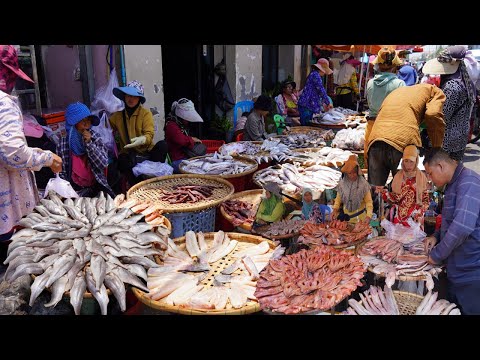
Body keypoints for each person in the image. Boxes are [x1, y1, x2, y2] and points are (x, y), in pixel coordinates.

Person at [0, 44, 63, 240]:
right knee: (14, 260)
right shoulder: (3, 102)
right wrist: (47, 158)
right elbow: (12, 154)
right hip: (7, 209)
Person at [424, 148, 480, 315]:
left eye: (430, 173)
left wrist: (436, 255)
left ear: (440, 166)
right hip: (456, 270)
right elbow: (451, 220)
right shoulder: (453, 184)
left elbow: (462, 227)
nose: (429, 179)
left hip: (470, 273)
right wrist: (436, 236)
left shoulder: (469, 182)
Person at [366, 83, 446, 186]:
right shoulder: (435, 92)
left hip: (376, 138)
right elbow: (432, 114)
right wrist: (437, 147)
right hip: (403, 141)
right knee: (405, 193)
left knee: (374, 191)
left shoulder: (400, 91)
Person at [109, 80, 168, 188]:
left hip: (147, 153)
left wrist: (143, 139)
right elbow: (105, 128)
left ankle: (152, 179)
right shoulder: (117, 116)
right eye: (128, 95)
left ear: (139, 99)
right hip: (129, 154)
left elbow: (149, 134)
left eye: (134, 96)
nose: (130, 99)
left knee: (163, 145)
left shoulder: (145, 114)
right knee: (121, 160)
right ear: (124, 97)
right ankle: (136, 186)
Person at [423, 46, 476, 162]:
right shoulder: (465, 81)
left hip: (447, 141)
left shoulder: (451, 86)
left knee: (441, 174)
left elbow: (443, 116)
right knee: (452, 173)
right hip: (460, 138)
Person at [57, 102, 114, 197]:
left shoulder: (95, 137)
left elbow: (103, 163)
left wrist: (89, 143)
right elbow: (61, 171)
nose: (86, 123)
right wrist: (67, 192)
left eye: (88, 120)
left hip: (96, 185)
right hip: (73, 189)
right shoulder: (63, 143)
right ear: (74, 123)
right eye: (82, 120)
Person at [365, 47, 405, 163]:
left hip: (372, 128)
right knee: (394, 174)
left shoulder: (370, 83)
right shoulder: (400, 84)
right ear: (394, 66)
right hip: (392, 130)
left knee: (374, 175)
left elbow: (370, 103)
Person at [376, 145, 429, 227]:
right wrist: (384, 193)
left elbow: (425, 200)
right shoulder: (398, 176)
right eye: (406, 161)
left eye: (411, 161)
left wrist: (419, 212)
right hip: (399, 220)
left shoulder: (422, 177)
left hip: (415, 220)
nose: (408, 165)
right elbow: (394, 198)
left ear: (416, 161)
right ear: (402, 161)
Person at [164, 98, 204, 173]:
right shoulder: (171, 125)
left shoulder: (180, 125)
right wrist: (192, 139)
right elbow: (181, 141)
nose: (188, 121)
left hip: (184, 157)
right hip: (176, 161)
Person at [332, 155, 373, 224]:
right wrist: (335, 209)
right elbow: (338, 198)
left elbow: (369, 202)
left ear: (357, 171)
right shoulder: (342, 184)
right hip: (346, 220)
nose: (352, 175)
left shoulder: (363, 184)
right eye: (350, 173)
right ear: (346, 173)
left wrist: (369, 216)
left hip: (360, 220)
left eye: (354, 172)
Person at [297, 58, 333, 126]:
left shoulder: (314, 74)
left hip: (307, 105)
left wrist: (324, 102)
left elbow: (318, 91)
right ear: (321, 69)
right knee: (306, 126)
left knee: (308, 125)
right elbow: (321, 90)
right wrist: (328, 102)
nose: (325, 73)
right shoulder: (315, 75)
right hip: (307, 105)